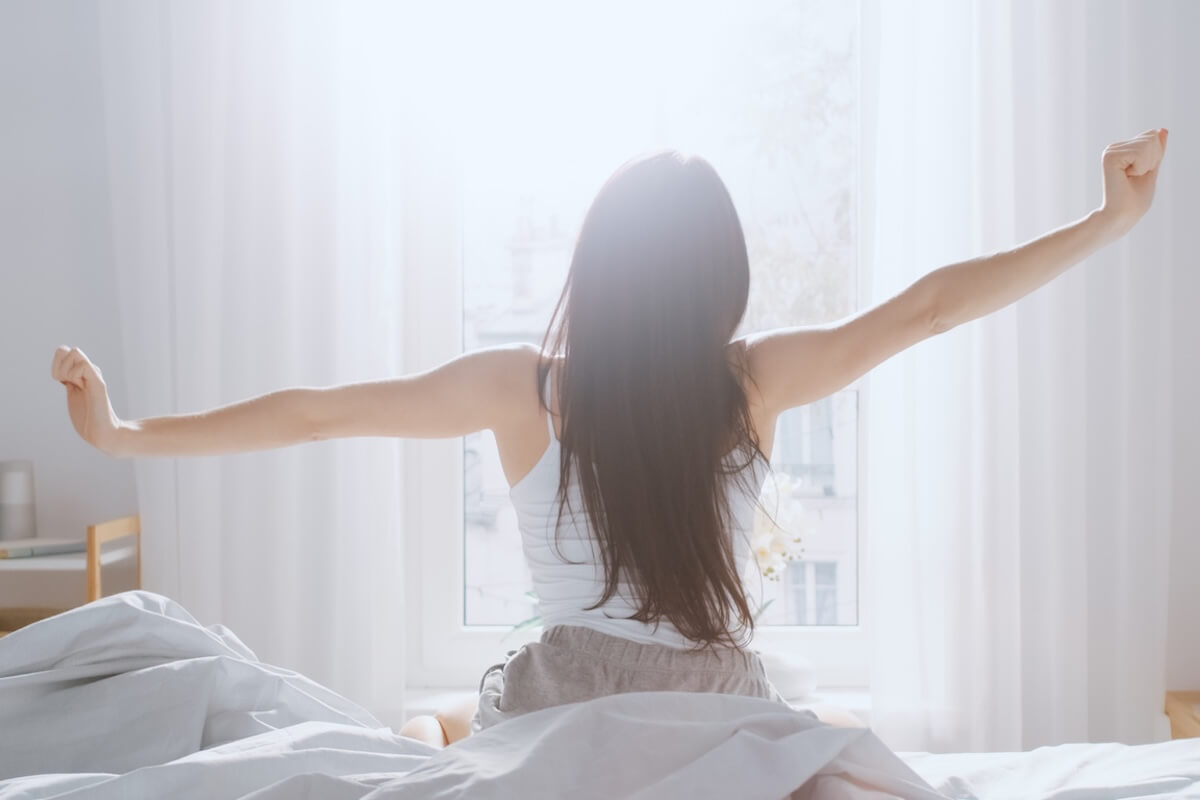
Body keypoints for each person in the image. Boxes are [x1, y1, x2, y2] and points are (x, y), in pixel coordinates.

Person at [51, 128, 1168, 748]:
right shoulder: (752, 380)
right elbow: (929, 307)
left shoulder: (524, 389)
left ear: (598, 269)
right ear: (719, 276)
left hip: (561, 696)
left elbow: (315, 411)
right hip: (716, 702)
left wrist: (127, 431)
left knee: (431, 727)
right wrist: (1107, 219)